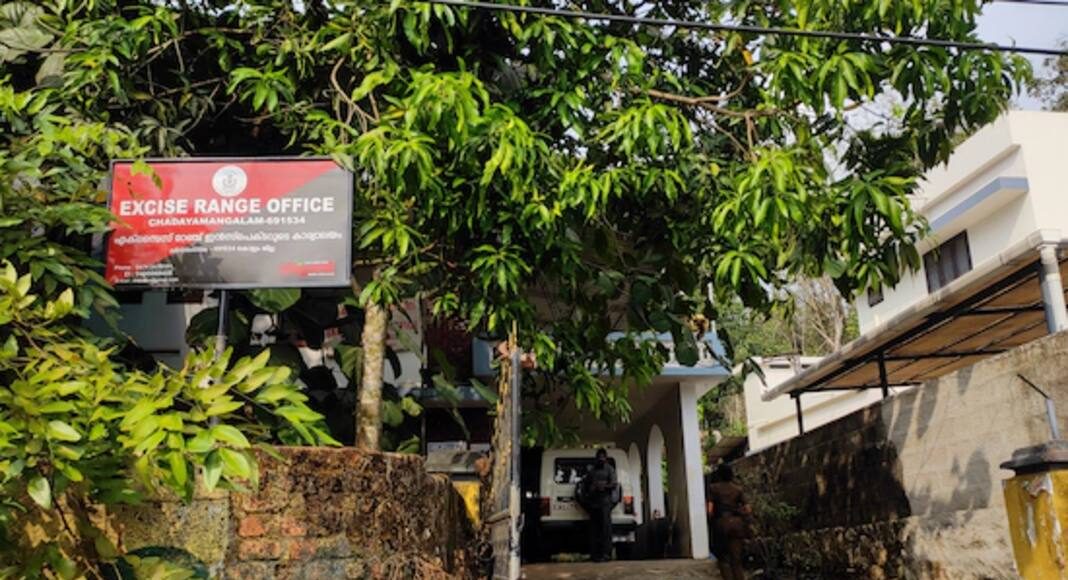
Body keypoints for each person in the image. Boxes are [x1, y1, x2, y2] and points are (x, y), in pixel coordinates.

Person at [707, 464, 751, 580]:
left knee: (723, 560)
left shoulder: (713, 488)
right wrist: (738, 513)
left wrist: (712, 521)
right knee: (736, 560)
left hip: (721, 525)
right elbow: (748, 509)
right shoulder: (738, 489)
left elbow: (710, 510)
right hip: (737, 526)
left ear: (719, 475)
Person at [579, 448, 618, 562]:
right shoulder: (592, 471)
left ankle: (606, 554)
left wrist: (603, 486)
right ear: (596, 458)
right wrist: (590, 490)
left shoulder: (609, 469)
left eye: (603, 457)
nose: (601, 459)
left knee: (606, 530)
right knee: (594, 531)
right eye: (599, 457)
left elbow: (614, 484)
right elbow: (585, 486)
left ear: (605, 458)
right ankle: (595, 555)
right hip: (594, 503)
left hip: (605, 503)